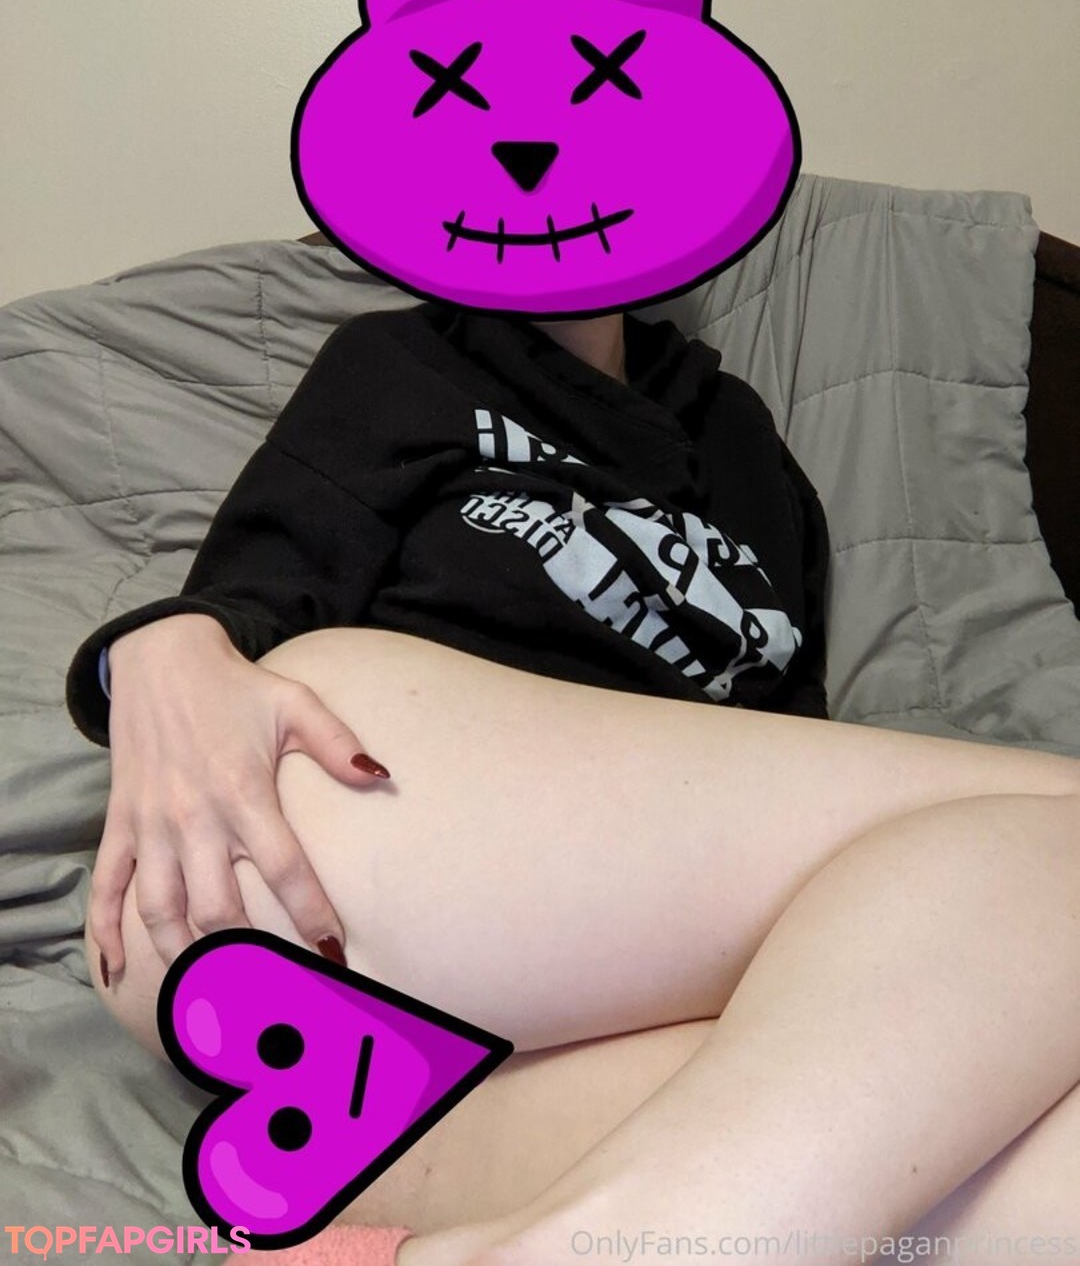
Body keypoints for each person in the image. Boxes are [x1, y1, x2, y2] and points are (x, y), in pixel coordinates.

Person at [65, 304, 1080, 1266]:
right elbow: (245, 596)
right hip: (314, 838)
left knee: (1019, 1115)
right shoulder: (404, 362)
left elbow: (789, 749)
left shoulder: (748, 447)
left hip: (369, 1086)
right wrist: (158, 644)